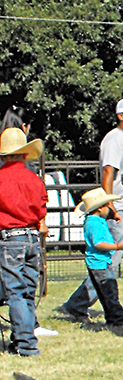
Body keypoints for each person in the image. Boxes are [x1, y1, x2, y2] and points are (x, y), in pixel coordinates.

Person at [56, 96, 123, 323]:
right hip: (117, 208)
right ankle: (77, 304)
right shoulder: (114, 139)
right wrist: (109, 205)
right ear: (120, 116)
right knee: (109, 263)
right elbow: (108, 172)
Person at [0, 127, 47, 357]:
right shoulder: (34, 179)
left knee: (15, 292)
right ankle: (21, 339)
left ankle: (27, 344)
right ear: (24, 153)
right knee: (28, 291)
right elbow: (41, 208)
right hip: (32, 236)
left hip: (10, 238)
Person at [75, 186, 123, 328]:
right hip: (100, 263)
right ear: (99, 208)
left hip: (99, 262)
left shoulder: (94, 221)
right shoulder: (94, 223)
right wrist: (118, 247)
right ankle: (116, 320)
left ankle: (113, 318)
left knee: (106, 292)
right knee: (110, 292)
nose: (109, 209)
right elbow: (98, 243)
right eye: (107, 206)